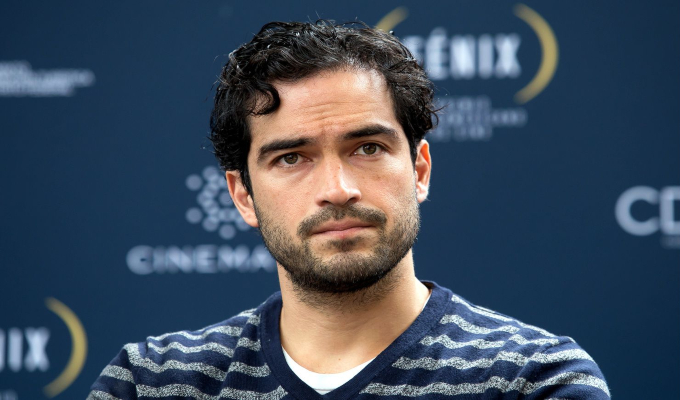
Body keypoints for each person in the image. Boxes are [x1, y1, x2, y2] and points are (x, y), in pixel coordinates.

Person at [88, 20, 609, 399]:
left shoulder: (534, 380)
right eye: (291, 158)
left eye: (368, 148)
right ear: (243, 195)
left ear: (420, 170)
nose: (337, 190)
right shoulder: (152, 382)